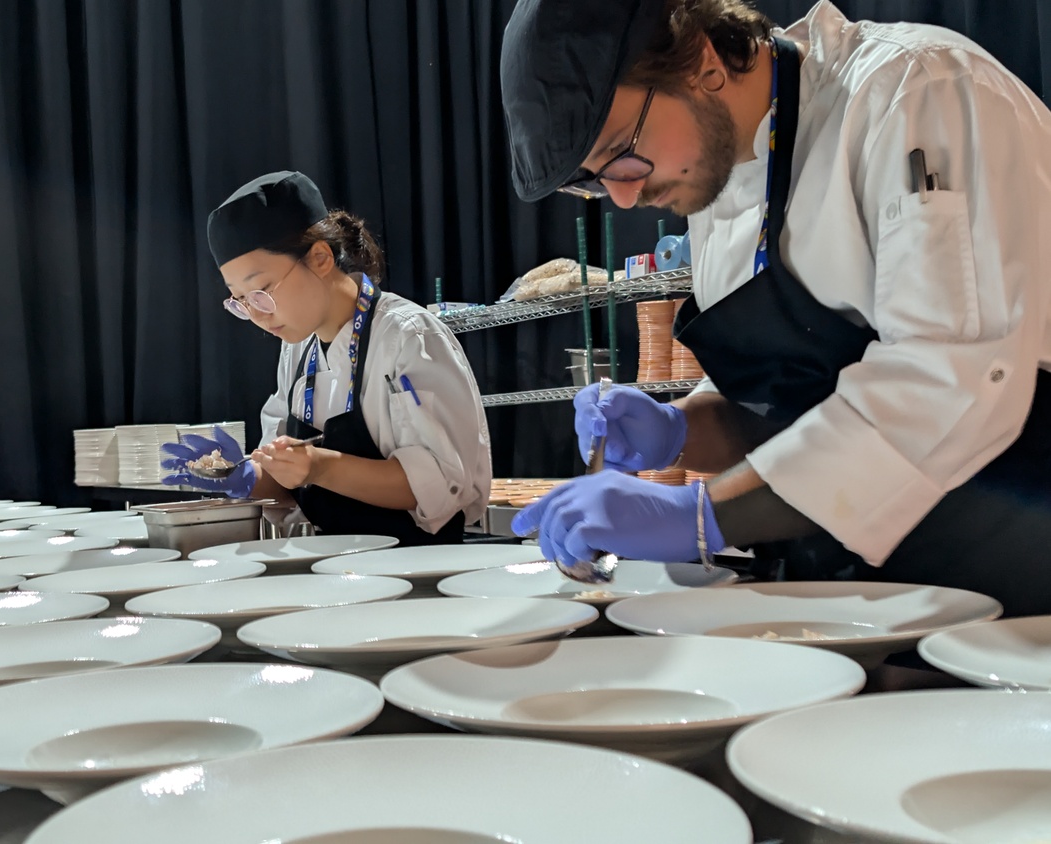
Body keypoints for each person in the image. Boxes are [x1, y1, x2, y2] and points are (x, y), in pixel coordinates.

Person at [501, 0, 1051, 616]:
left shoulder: (915, 92)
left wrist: (701, 519)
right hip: (869, 596)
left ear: (703, 64)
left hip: (1018, 566)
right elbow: (784, 408)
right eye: (594, 180)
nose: (624, 198)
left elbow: (947, 384)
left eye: (622, 151)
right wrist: (680, 429)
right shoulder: (713, 188)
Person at [162, 171, 492, 545]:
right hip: (336, 572)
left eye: (262, 291)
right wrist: (244, 476)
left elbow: (441, 487)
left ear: (320, 258)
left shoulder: (408, 335)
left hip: (420, 570)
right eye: (240, 301)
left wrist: (320, 467)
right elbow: (288, 487)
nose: (257, 315)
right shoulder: (297, 349)